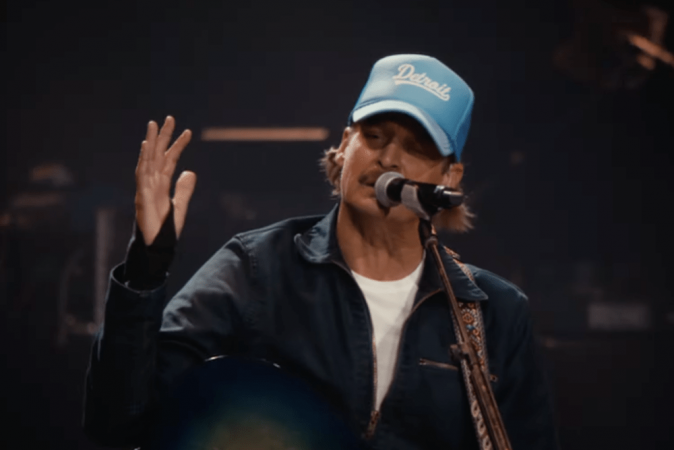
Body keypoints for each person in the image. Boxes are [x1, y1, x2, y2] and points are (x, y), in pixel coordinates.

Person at [83, 54, 559, 449]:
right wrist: (145, 268)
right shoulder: (257, 268)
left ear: (449, 177)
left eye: (416, 147)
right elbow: (120, 422)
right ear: (345, 144)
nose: (389, 158)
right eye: (374, 136)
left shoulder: (495, 313)